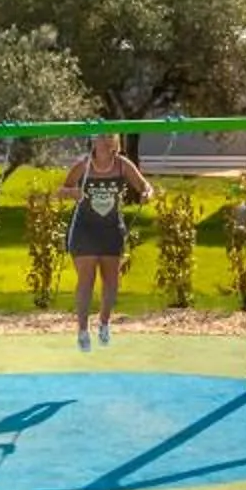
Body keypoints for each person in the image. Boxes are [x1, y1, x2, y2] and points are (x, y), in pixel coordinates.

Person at [65, 134, 153, 352]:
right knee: (86, 280)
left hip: (111, 229)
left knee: (111, 281)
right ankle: (83, 331)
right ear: (93, 142)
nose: (104, 144)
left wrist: (147, 194)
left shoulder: (122, 165)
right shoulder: (83, 166)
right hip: (84, 229)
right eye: (100, 139)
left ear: (114, 143)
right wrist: (72, 192)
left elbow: (145, 186)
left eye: (108, 140)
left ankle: (104, 323)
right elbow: (62, 189)